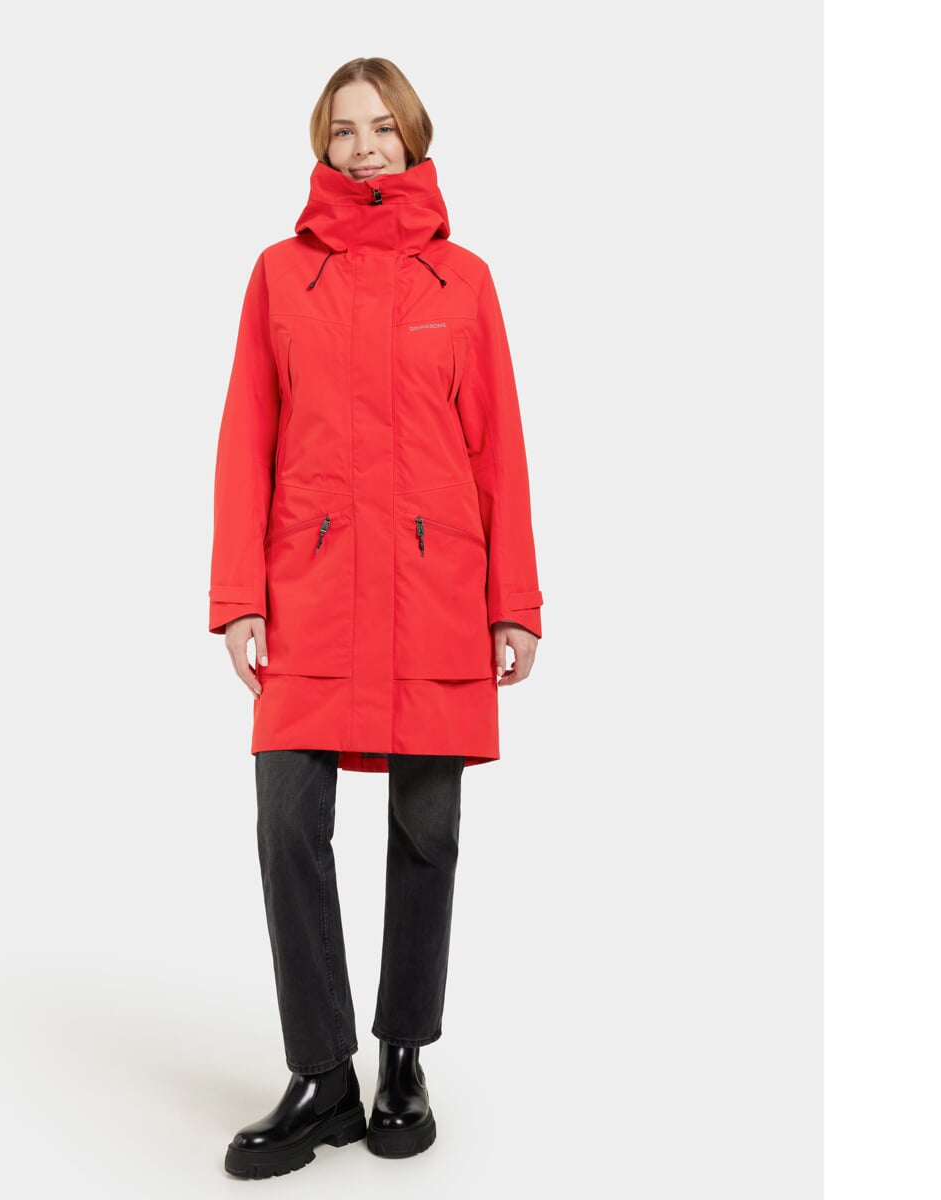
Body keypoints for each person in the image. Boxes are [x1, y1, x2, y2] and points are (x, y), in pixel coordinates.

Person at [208, 56, 544, 1179]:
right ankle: (322, 1076)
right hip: (309, 592)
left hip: (436, 591)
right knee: (286, 826)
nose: (364, 149)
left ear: (414, 138)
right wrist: (238, 597)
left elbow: (499, 449)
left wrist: (514, 603)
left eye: (382, 128)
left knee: (426, 833)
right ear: (322, 145)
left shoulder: (464, 281)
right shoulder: (278, 275)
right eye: (344, 130)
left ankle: (403, 1057)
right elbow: (247, 437)